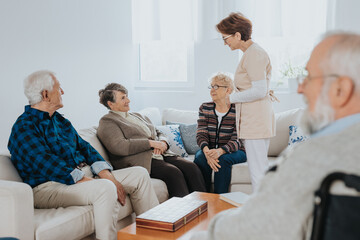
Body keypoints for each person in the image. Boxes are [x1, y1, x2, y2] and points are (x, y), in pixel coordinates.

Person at [190, 32, 360, 240]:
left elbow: (249, 228)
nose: (300, 88)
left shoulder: (315, 156)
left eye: (308, 77)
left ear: (341, 90)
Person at [8, 70, 159, 240]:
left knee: (139, 174)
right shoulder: (24, 127)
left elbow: (85, 147)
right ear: (45, 94)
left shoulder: (59, 120)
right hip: (49, 186)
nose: (62, 92)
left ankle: (154, 235)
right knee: (105, 188)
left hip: (80, 177)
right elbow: (48, 164)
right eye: (59, 88)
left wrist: (106, 174)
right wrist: (97, 181)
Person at [97, 83, 206, 197]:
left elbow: (158, 132)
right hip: (141, 161)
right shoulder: (107, 122)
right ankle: (184, 213)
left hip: (161, 154)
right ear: (110, 103)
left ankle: (206, 205)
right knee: (173, 173)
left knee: (191, 168)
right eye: (123, 98)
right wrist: (151, 143)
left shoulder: (137, 115)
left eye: (127, 96)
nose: (128, 100)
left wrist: (163, 142)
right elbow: (119, 146)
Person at [216, 12, 277, 191]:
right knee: (259, 169)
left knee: (257, 172)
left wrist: (229, 98)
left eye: (225, 38)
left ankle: (260, 213)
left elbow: (259, 90)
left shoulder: (254, 54)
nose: (225, 43)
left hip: (256, 119)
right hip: (255, 118)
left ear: (237, 35)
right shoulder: (250, 53)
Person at [194, 73, 247, 193]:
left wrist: (220, 151)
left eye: (216, 86)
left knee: (223, 160)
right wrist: (207, 152)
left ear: (228, 90)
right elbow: (201, 134)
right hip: (211, 150)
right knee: (200, 158)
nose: (212, 90)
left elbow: (237, 140)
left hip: (236, 151)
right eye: (211, 86)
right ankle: (202, 199)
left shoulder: (238, 109)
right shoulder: (205, 108)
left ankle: (219, 200)